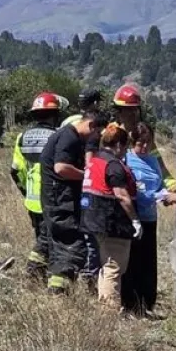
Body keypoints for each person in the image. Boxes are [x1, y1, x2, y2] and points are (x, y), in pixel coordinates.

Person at [40, 109, 109, 294]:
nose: (95, 139)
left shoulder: (67, 135)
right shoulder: (69, 137)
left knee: (54, 242)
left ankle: (50, 282)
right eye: (96, 133)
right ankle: (58, 290)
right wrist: (87, 175)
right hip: (60, 199)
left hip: (58, 197)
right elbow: (61, 168)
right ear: (91, 125)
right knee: (73, 243)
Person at [79, 123, 141, 309]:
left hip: (92, 221)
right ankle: (110, 310)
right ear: (119, 145)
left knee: (105, 264)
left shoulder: (95, 161)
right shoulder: (113, 165)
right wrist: (135, 220)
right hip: (112, 222)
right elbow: (122, 196)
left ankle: (104, 303)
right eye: (125, 147)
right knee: (114, 266)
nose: (125, 152)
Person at [121, 123, 176, 316]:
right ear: (132, 142)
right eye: (140, 143)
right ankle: (129, 302)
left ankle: (146, 302)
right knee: (132, 262)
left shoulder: (154, 160)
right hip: (132, 217)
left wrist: (165, 194)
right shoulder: (126, 159)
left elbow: (161, 182)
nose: (145, 147)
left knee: (148, 262)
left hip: (150, 217)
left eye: (148, 142)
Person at [11, 92, 65, 280]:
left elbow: (16, 170)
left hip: (32, 199)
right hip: (52, 196)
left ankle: (42, 274)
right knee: (49, 239)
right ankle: (34, 272)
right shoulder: (58, 136)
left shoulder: (22, 138)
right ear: (55, 114)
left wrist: (26, 190)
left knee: (41, 236)